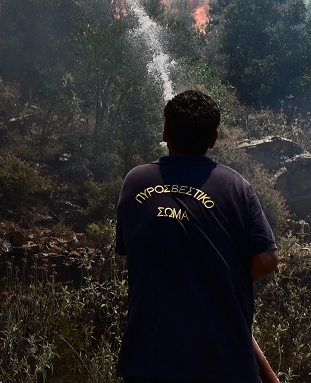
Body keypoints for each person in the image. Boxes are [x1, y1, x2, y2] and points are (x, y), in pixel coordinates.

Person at [116, 89, 280, 383]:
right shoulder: (234, 186)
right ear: (213, 140)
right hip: (222, 368)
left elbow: (135, 247)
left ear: (165, 132)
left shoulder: (135, 181)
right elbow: (267, 260)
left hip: (148, 364)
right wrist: (225, 274)